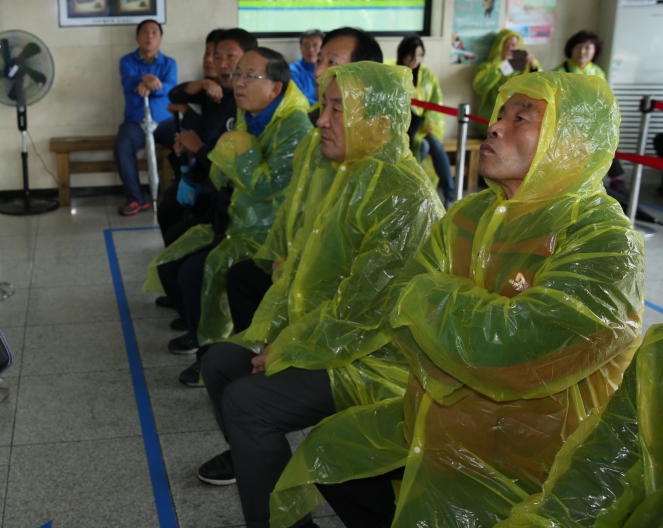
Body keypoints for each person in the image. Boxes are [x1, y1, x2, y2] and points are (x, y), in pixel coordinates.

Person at [271, 71, 645, 528]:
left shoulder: (603, 239)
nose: (496, 127)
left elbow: (517, 347)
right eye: (500, 113)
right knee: (329, 450)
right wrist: (451, 316)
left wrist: (438, 301)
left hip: (539, 453)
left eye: (521, 119)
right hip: (435, 414)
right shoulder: (470, 215)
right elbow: (403, 309)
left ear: (571, 143)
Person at [197, 62, 445, 528]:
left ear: (380, 124)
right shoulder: (353, 171)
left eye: (337, 109)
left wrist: (289, 349)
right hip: (332, 331)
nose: (322, 119)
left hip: (379, 357)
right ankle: (260, 479)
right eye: (323, 105)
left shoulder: (401, 196)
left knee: (247, 404)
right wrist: (282, 332)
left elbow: (365, 314)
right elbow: (314, 272)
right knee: (218, 363)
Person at [145, 48, 312, 386]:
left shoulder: (296, 128)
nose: (239, 82)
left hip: (271, 235)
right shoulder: (247, 114)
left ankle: (213, 359)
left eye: (250, 75)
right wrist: (204, 156)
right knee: (169, 266)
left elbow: (266, 188)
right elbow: (225, 176)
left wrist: (234, 147)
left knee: (196, 274)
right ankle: (202, 340)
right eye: (238, 74)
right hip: (236, 221)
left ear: (276, 88)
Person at [222, 27, 385, 335]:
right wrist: (288, 256)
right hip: (295, 257)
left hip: (334, 287)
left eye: (331, 62)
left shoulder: (376, 159)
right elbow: (300, 209)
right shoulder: (316, 130)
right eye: (318, 59)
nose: (319, 70)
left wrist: (299, 265)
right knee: (240, 277)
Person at [498, 323, 662, 528]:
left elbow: (496, 340)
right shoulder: (658, 355)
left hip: (523, 465)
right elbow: (604, 469)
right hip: (498, 465)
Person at [157, 29, 238, 246]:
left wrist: (185, 111)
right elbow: (174, 94)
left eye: (225, 56)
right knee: (169, 202)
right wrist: (202, 84)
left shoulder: (235, 95)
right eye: (211, 54)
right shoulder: (212, 87)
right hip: (207, 165)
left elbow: (209, 132)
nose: (214, 61)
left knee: (176, 210)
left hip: (220, 178)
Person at [114, 19, 177, 215]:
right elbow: (128, 80)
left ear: (160, 38)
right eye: (145, 32)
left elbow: (170, 89)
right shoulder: (126, 61)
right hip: (136, 122)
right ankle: (136, 198)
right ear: (137, 37)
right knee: (122, 146)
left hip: (165, 121)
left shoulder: (169, 63)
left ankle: (183, 193)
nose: (149, 36)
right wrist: (143, 78)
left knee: (186, 140)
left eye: (154, 32)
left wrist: (151, 83)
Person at [554, 30, 626, 192]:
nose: (582, 52)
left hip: (592, 120)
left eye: (588, 48)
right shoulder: (561, 70)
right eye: (579, 47)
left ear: (595, 51)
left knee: (607, 138)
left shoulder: (597, 72)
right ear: (571, 50)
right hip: (568, 121)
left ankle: (615, 177)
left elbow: (603, 98)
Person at [396, 36, 455, 204]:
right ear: (402, 54)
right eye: (411, 56)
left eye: (420, 56)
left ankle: (449, 194)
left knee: (435, 143)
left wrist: (430, 121)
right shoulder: (393, 74)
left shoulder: (427, 75)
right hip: (404, 128)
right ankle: (415, 192)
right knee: (424, 145)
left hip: (422, 127)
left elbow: (436, 103)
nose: (416, 60)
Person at [473, 29, 539, 135]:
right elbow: (480, 86)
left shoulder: (524, 66)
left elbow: (538, 85)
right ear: (499, 46)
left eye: (513, 45)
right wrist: (499, 64)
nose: (509, 49)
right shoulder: (486, 66)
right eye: (506, 45)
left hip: (517, 119)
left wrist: (534, 66)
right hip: (490, 119)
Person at [289, 29, 323, 105]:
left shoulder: (329, 69)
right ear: (301, 47)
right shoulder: (293, 71)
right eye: (306, 45)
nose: (311, 49)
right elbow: (301, 98)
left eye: (315, 45)